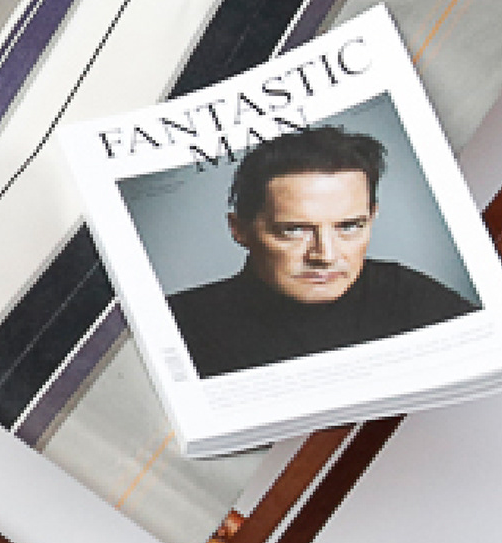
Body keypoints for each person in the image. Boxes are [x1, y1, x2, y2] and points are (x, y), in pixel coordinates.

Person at [163, 121, 474, 376]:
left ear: (372, 217)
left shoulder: (414, 299)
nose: (325, 256)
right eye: (293, 230)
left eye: (349, 226)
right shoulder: (177, 325)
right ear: (239, 230)